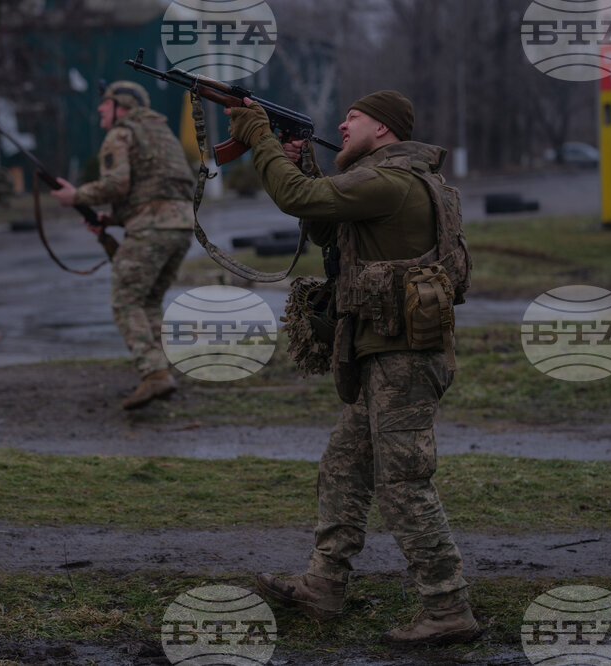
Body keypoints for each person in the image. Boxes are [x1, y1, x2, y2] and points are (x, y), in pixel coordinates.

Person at [225, 92, 480, 645]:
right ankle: (324, 585)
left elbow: (297, 199)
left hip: (403, 362)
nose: (341, 124)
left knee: (404, 484)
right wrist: (299, 162)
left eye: (354, 118)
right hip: (390, 355)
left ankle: (447, 606)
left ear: (383, 129)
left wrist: (258, 135)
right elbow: (325, 225)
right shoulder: (384, 181)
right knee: (343, 466)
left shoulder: (388, 182)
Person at [50, 81, 196, 410]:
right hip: (182, 227)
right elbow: (157, 189)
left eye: (107, 103)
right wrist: (111, 221)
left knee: (125, 302)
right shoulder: (161, 134)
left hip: (152, 229)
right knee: (148, 301)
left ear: (123, 107)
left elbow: (116, 184)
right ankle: (162, 371)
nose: (101, 108)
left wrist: (76, 196)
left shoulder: (122, 133)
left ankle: (155, 373)